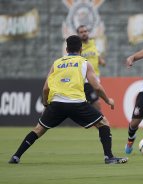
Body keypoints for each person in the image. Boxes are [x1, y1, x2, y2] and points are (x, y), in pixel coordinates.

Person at [8, 35, 128, 165]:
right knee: (103, 123)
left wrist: (46, 104)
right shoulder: (85, 63)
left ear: (66, 49)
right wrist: (108, 100)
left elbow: (45, 89)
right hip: (77, 103)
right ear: (81, 49)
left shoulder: (57, 63)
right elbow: (97, 87)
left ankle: (16, 156)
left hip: (57, 104)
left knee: (38, 130)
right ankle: (109, 157)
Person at [77, 25, 106, 111]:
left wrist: (102, 61)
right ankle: (102, 121)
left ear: (88, 32)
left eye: (85, 31)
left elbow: (97, 56)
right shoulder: (78, 47)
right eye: (81, 32)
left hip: (96, 77)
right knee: (96, 103)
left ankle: (94, 121)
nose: (84, 34)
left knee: (90, 104)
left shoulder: (93, 43)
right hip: (85, 79)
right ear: (78, 34)